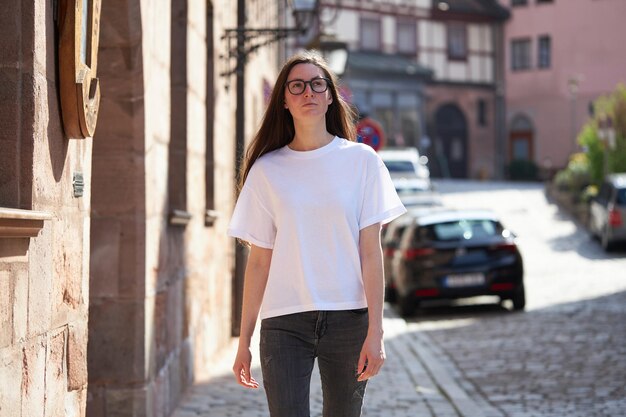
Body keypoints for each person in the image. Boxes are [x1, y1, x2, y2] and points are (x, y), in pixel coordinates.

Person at [227, 50, 406, 417]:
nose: (307, 91)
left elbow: (370, 253)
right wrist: (244, 341)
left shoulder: (362, 162)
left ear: (329, 96)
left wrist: (377, 331)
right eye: (297, 86)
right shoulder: (267, 170)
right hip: (283, 322)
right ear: (284, 101)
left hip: (348, 318)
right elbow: (259, 261)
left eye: (317, 83)